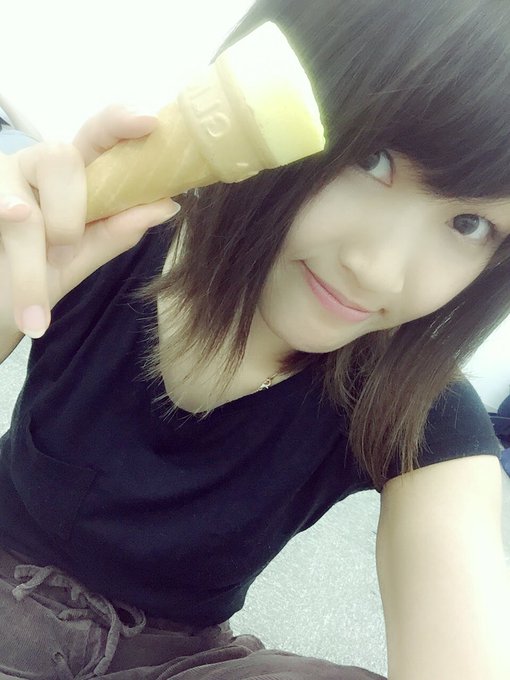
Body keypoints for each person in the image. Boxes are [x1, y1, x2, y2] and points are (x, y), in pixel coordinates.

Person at [0, 0, 509, 678]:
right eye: (373, 158)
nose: (379, 271)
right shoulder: (111, 239)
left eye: (470, 225)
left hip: (167, 659)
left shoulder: (416, 406)